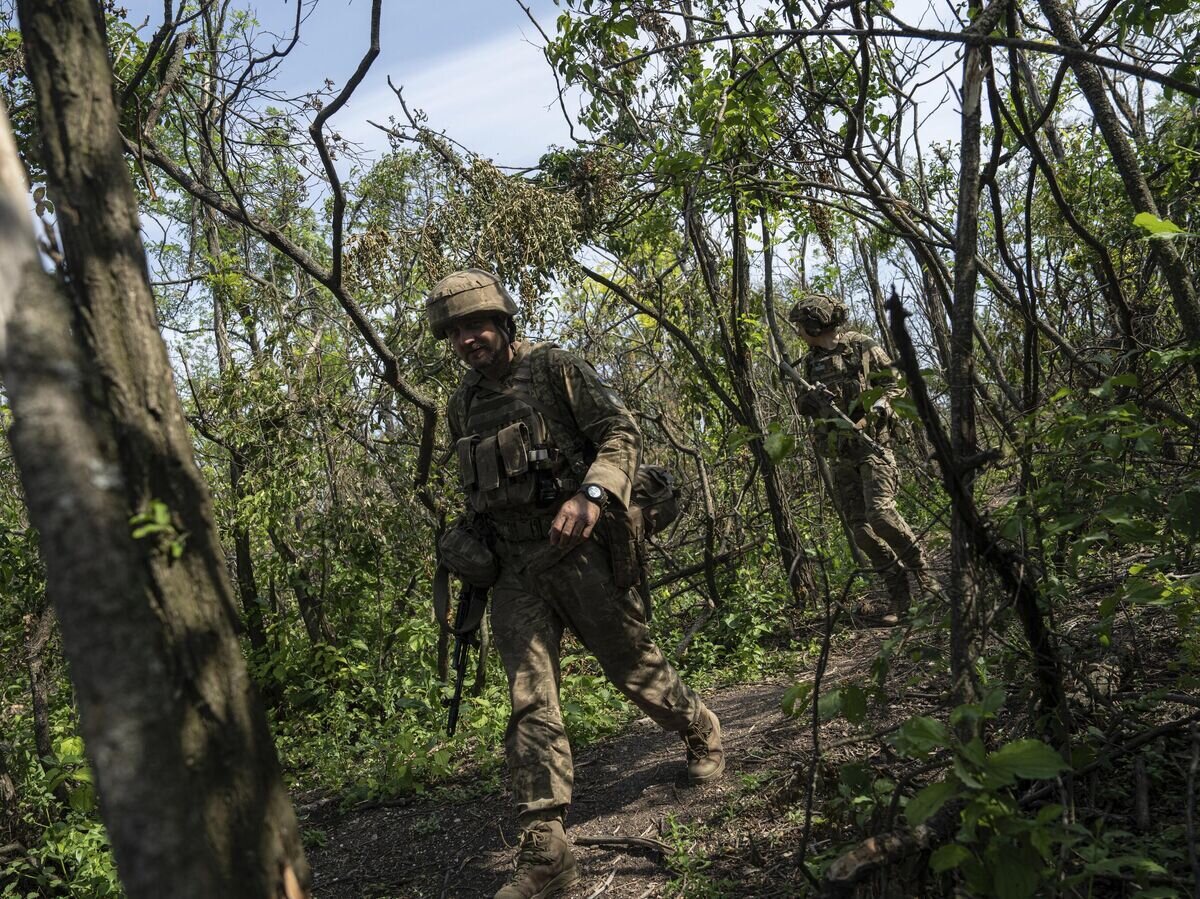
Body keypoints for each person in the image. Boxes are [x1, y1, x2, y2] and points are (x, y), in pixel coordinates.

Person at [427, 269, 724, 899]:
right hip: (513, 569)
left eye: (476, 325)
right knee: (529, 697)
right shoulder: (464, 402)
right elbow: (476, 484)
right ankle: (547, 845)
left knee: (633, 671)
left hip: (580, 551)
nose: (468, 339)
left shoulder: (556, 368)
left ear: (503, 321)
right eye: (455, 332)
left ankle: (696, 723)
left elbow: (620, 431)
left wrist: (592, 495)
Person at [788, 293, 930, 616]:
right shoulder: (810, 362)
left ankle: (924, 571)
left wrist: (873, 413)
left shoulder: (861, 346)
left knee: (881, 515)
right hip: (841, 456)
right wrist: (811, 401)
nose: (798, 331)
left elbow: (895, 385)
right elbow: (803, 404)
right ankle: (900, 597)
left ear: (814, 324)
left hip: (873, 445)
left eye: (801, 325)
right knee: (863, 532)